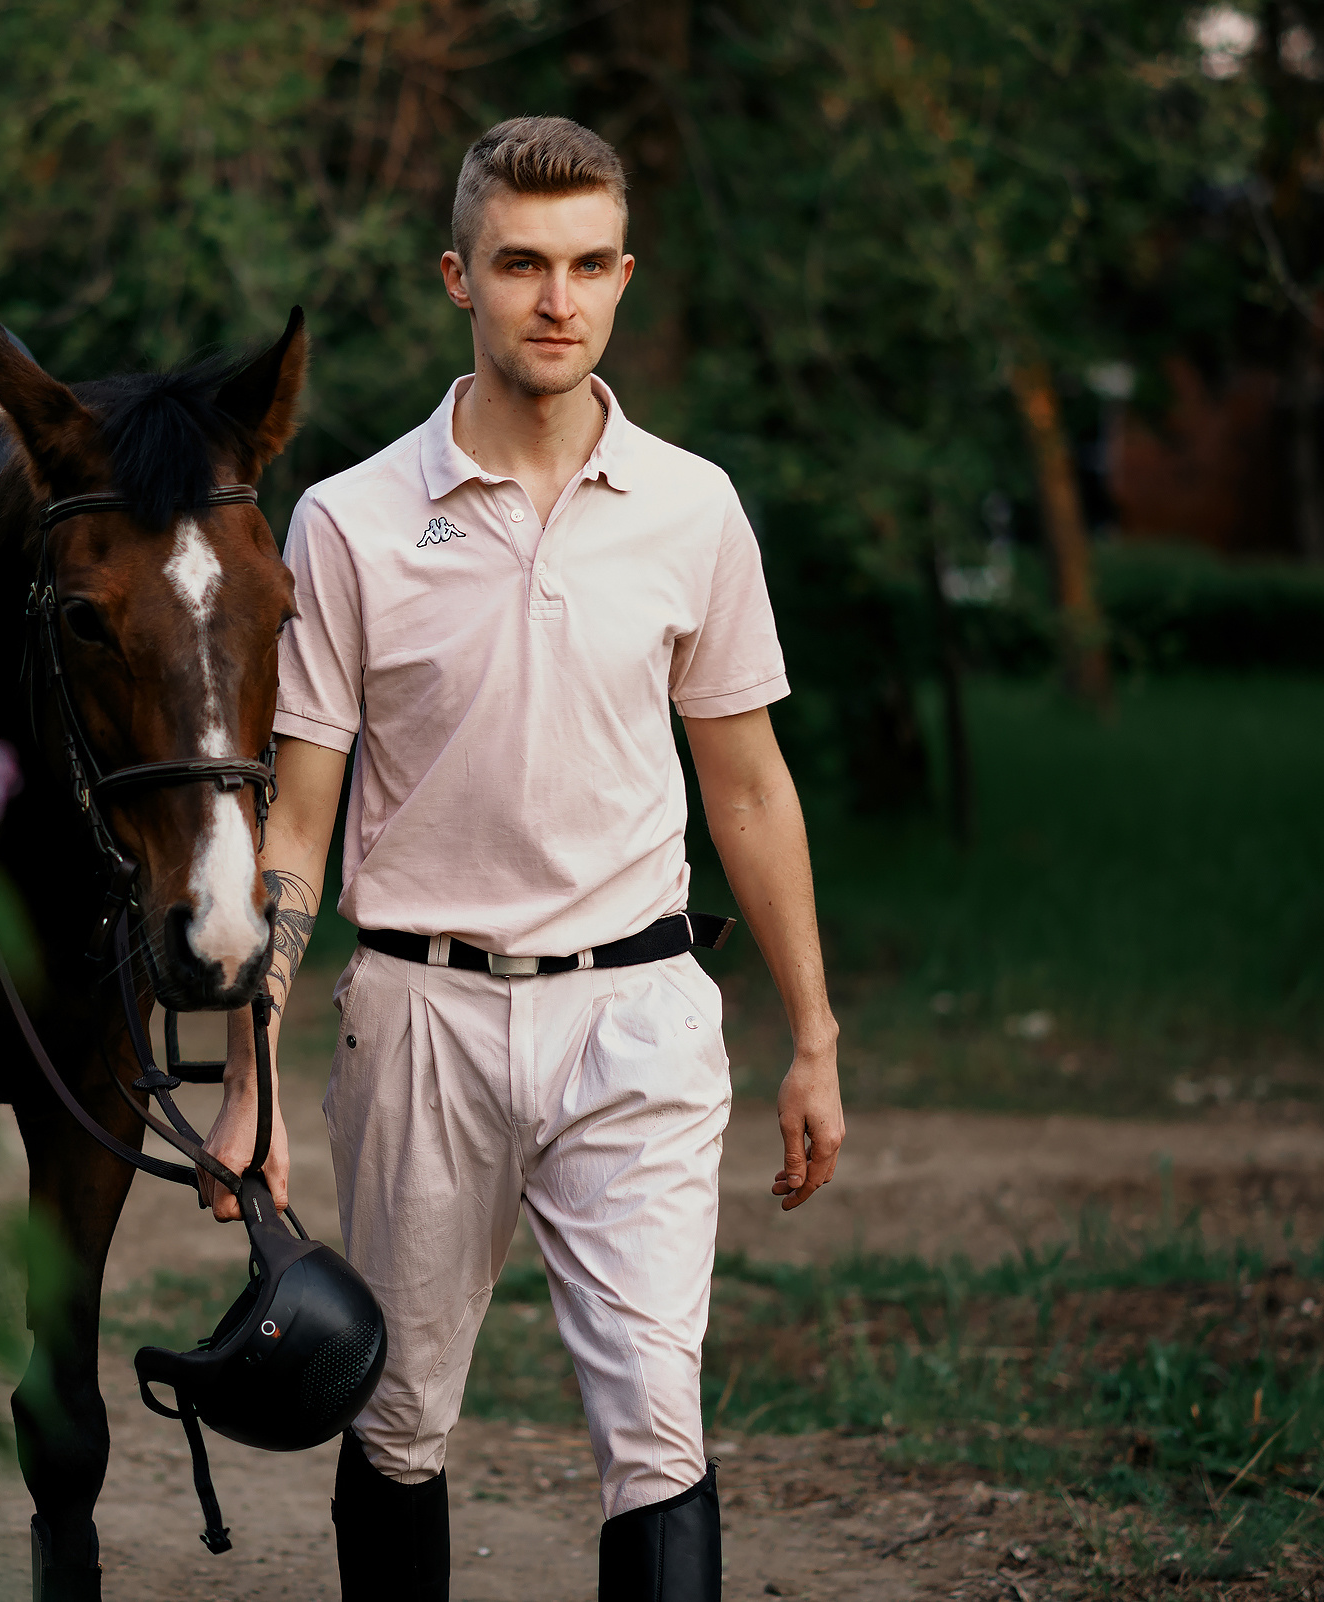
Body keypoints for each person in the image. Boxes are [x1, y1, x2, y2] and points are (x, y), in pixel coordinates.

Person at [203, 115, 847, 1602]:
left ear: (622, 276)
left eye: (586, 265)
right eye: (519, 265)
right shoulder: (351, 519)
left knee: (657, 1427)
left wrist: (814, 1036)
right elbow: (295, 819)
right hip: (420, 1014)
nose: (556, 299)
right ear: (459, 277)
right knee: (397, 1413)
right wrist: (254, 1066)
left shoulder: (693, 507)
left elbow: (749, 788)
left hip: (639, 1011)